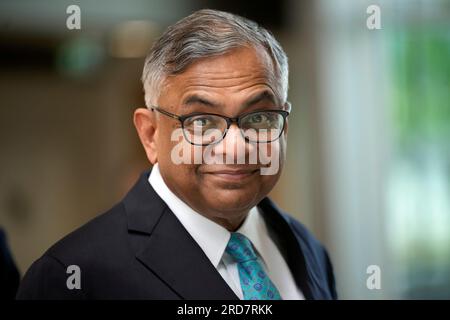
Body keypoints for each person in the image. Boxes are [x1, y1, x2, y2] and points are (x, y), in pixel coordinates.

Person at [17, 9, 337, 300]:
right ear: (150, 135)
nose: (236, 147)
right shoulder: (72, 277)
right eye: (201, 122)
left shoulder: (308, 250)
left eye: (259, 117)